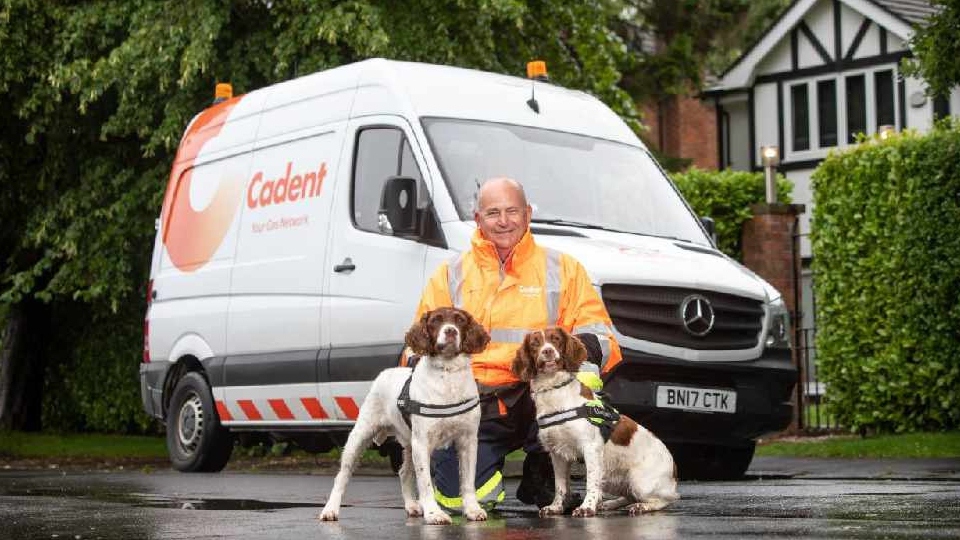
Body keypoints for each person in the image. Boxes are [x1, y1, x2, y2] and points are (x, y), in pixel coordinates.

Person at [409, 177, 623, 511]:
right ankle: (484, 476)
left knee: (584, 400)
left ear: (527, 214)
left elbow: (601, 340)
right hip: (476, 400)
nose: (504, 221)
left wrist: (575, 378)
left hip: (542, 389)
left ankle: (544, 471)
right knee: (459, 499)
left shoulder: (562, 268)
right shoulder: (452, 272)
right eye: (493, 213)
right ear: (478, 219)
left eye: (512, 211)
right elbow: (418, 346)